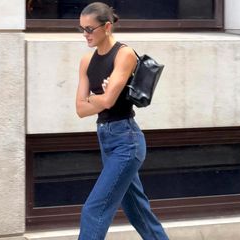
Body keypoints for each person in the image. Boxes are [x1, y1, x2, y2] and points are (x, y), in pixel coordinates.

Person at [76, 2, 169, 240]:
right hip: (106, 139)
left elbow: (107, 102)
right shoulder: (86, 61)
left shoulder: (124, 53)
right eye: (81, 29)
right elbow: (80, 108)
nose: (85, 34)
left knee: (93, 210)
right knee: (137, 210)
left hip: (126, 141)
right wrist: (101, 97)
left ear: (107, 27)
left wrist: (95, 98)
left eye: (89, 29)